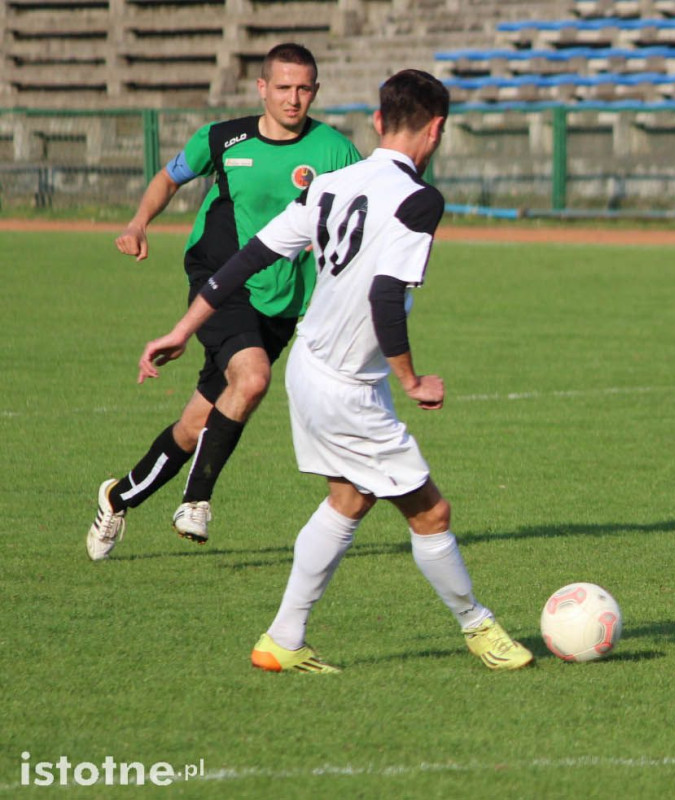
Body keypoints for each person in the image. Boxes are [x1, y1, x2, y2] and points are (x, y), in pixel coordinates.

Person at [136, 69, 534, 674]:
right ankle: (479, 627)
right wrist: (413, 379)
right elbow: (384, 296)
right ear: (438, 129)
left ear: (377, 122)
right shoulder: (420, 198)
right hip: (350, 386)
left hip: (310, 368)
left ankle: (283, 639)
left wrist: (182, 329)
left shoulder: (332, 182)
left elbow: (250, 257)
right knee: (432, 514)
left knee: (349, 500)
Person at [87, 43, 360, 560]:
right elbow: (171, 176)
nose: (293, 99)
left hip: (283, 302)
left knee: (196, 425)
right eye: (283, 87)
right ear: (262, 88)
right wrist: (139, 221)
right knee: (252, 378)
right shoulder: (223, 138)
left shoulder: (336, 151)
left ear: (316, 91)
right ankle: (196, 501)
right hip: (221, 281)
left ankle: (117, 496)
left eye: (304, 88)